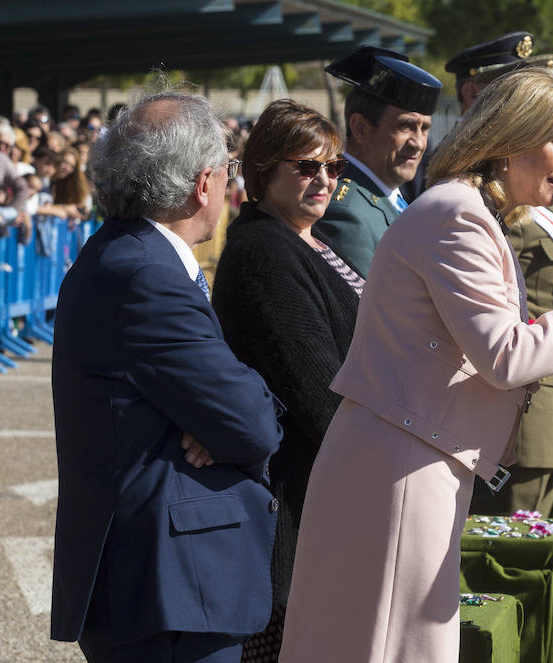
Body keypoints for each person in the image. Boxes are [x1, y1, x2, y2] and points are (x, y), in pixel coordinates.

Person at [280, 66, 553, 663]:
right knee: (393, 645)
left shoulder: (466, 211)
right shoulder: (459, 215)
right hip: (402, 461)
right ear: (512, 137)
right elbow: (504, 355)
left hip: (408, 452)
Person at [50, 91, 285, 663]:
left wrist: (219, 418)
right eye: (229, 171)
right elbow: (253, 424)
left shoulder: (126, 256)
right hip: (169, 588)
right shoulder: (144, 274)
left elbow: (225, 405)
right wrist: (232, 417)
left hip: (164, 582)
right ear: (203, 184)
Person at [210, 99, 361, 663]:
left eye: (333, 166)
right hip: (294, 501)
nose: (323, 179)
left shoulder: (311, 240)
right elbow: (320, 393)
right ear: (263, 171)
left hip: (327, 493)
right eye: (305, 166)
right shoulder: (262, 254)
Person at [447, 32, 553, 520]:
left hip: (549, 402)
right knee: (503, 568)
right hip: (516, 408)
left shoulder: (531, 189)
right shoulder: (471, 200)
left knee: (538, 564)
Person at [315, 45, 442, 277]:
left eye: (424, 129)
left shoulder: (390, 194)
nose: (419, 143)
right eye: (405, 126)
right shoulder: (346, 213)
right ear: (360, 128)